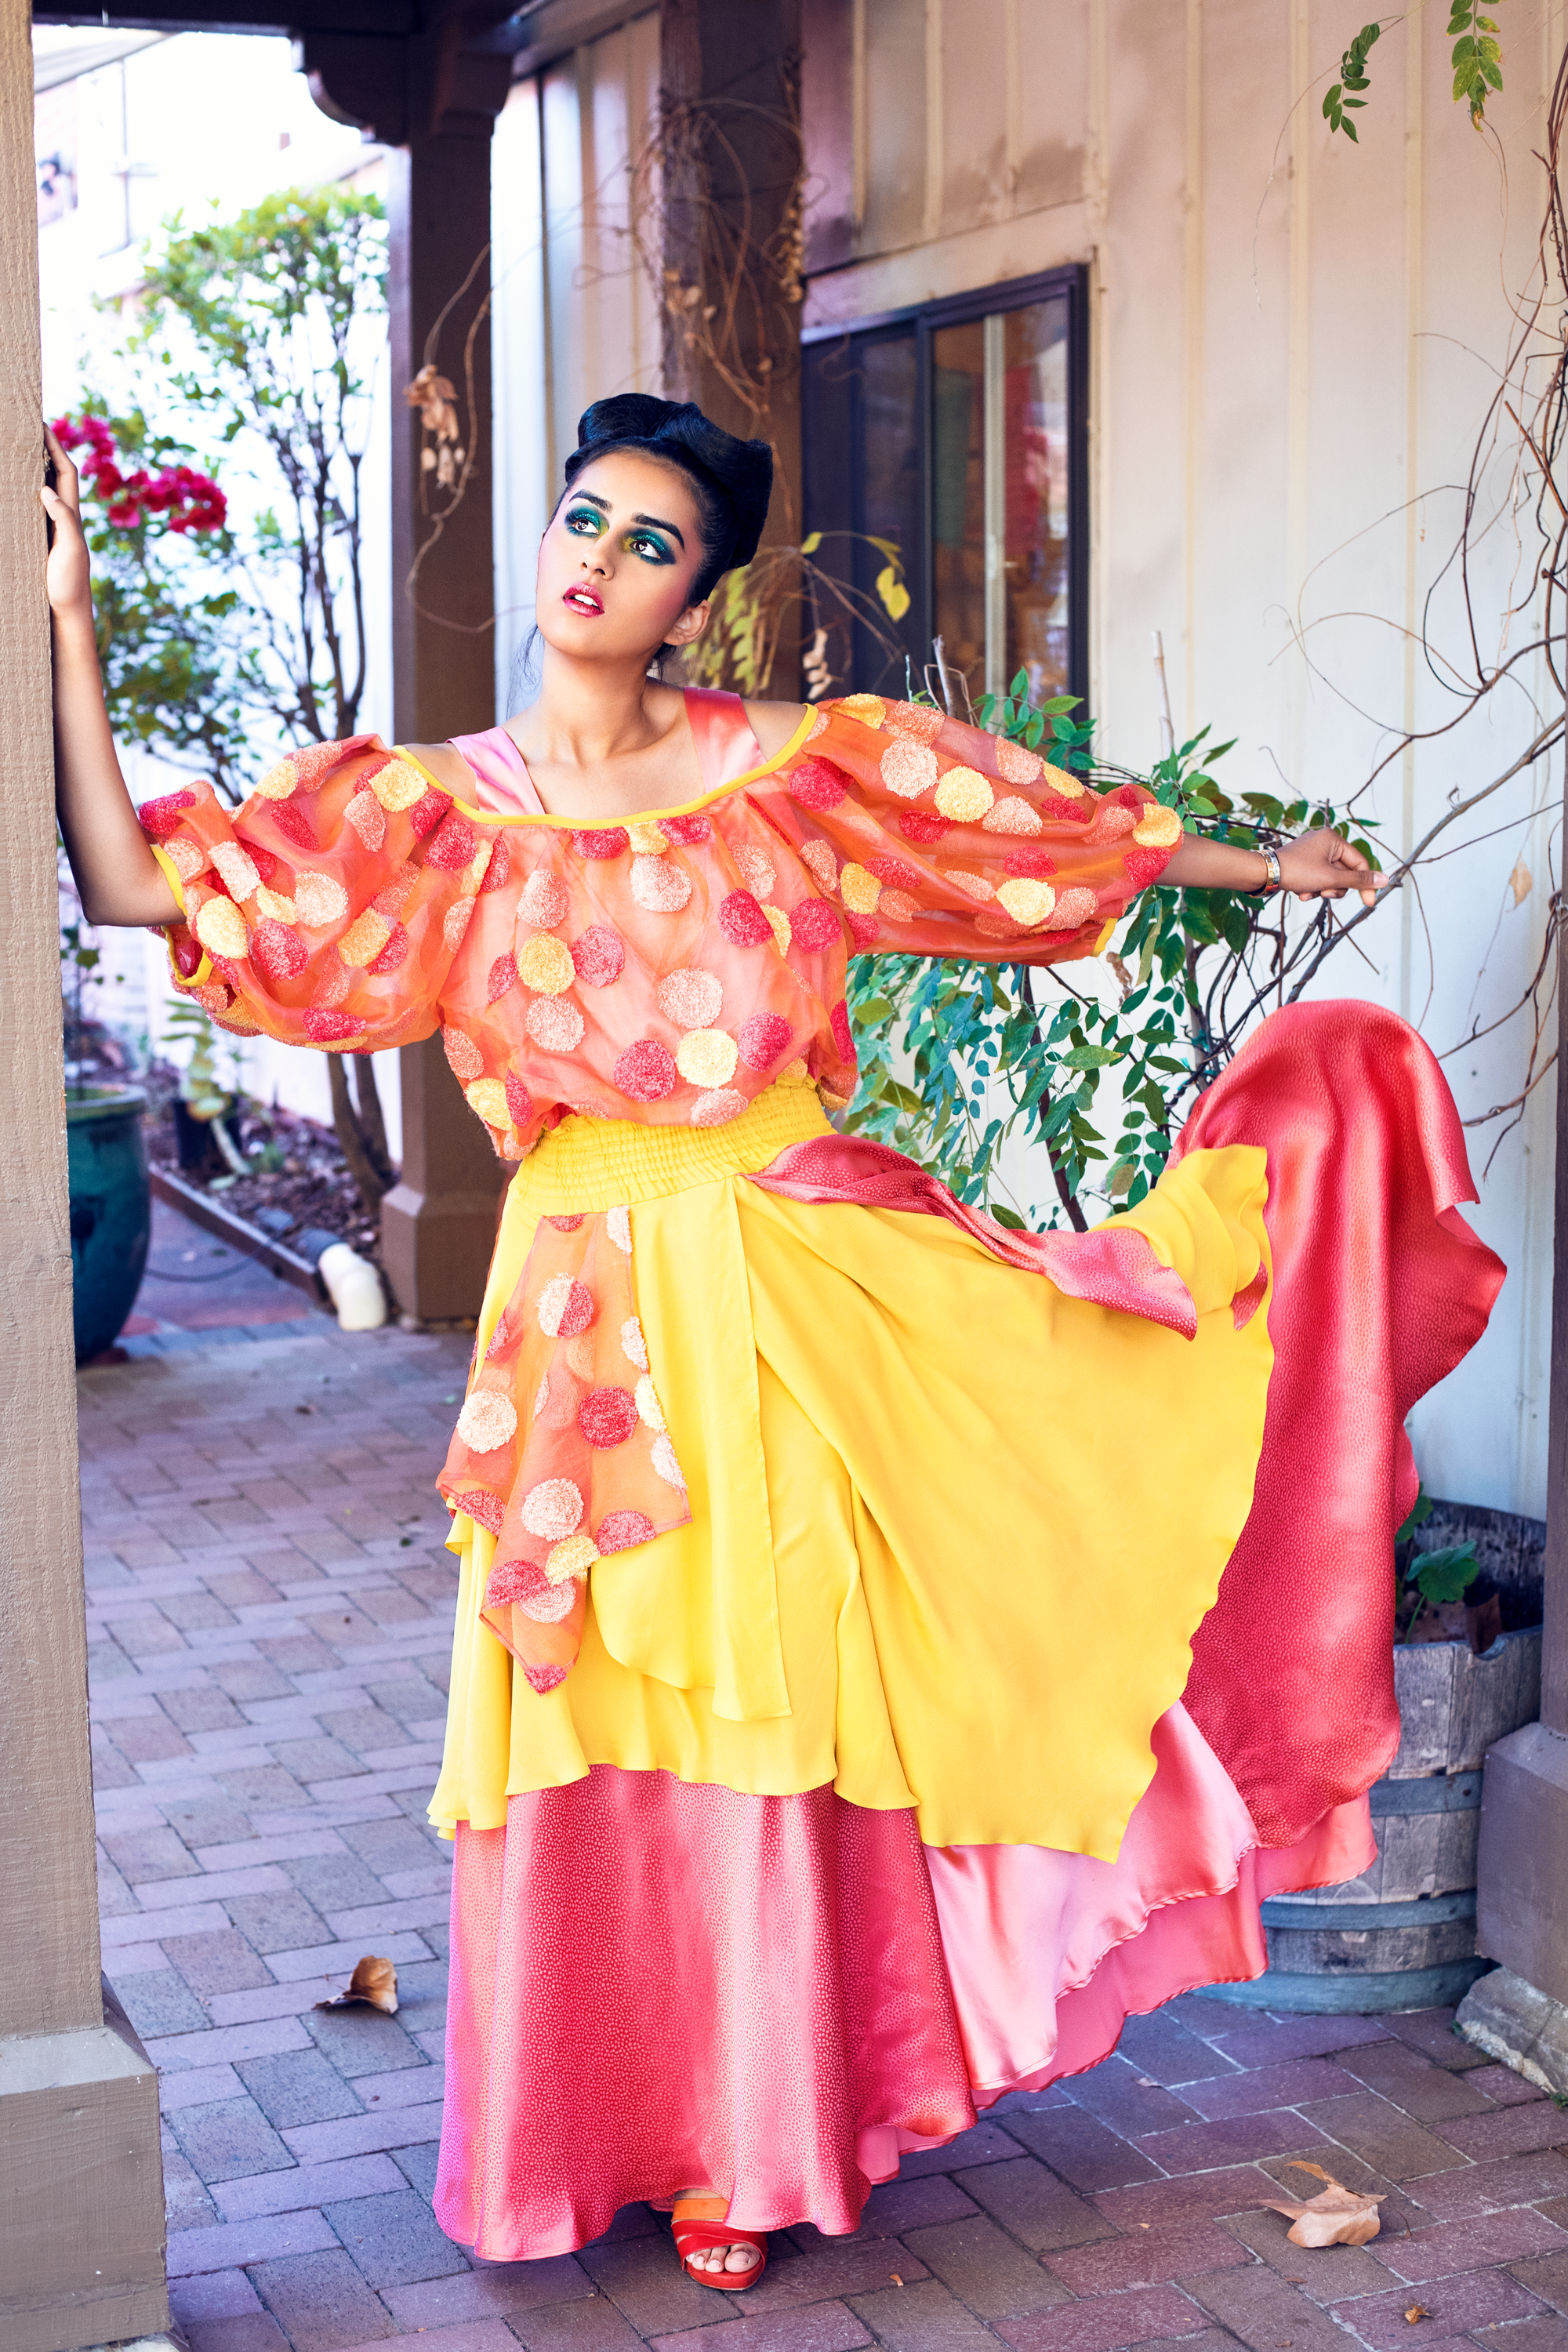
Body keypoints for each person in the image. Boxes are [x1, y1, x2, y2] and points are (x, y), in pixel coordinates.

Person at [45, 394, 1502, 2290]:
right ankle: (597, 2130)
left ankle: (757, 2138)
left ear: (696, 596)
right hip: (577, 1311)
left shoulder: (794, 774)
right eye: (587, 518)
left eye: (651, 543)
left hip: (790, 1288)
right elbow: (149, 893)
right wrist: (68, 630)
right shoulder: (429, 814)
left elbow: (1030, 839)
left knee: (776, 1712)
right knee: (592, 1718)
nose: (598, 560)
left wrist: (1250, 867)